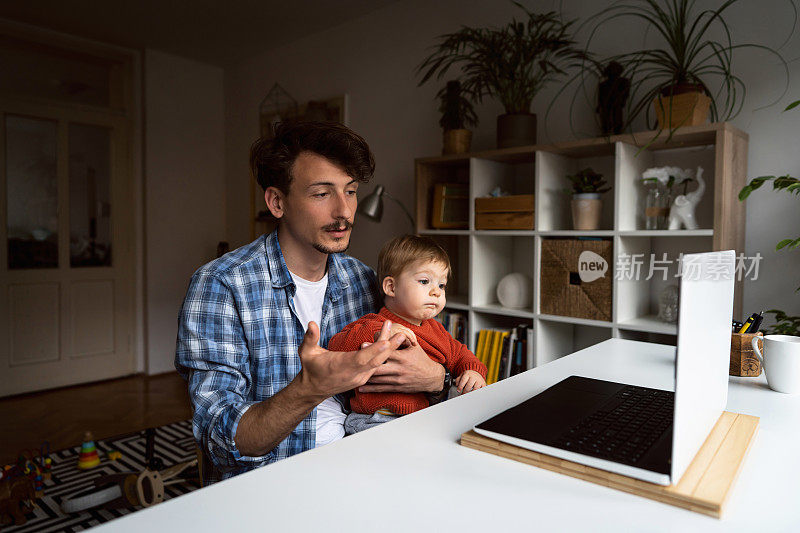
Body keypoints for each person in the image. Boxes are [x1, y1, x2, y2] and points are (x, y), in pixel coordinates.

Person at [175, 121, 448, 483]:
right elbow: (221, 441)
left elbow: (433, 361)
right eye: (322, 194)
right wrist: (309, 389)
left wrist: (436, 378)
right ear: (277, 202)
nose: (344, 212)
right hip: (272, 487)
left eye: (350, 192)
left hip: (368, 466)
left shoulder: (363, 279)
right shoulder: (221, 285)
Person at [328, 235, 487, 434]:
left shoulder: (437, 331)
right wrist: (381, 332)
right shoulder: (373, 324)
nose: (436, 292)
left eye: (441, 285)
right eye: (424, 281)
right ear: (391, 287)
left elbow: (461, 354)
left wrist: (473, 371)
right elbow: (335, 346)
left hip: (419, 418)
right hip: (374, 419)